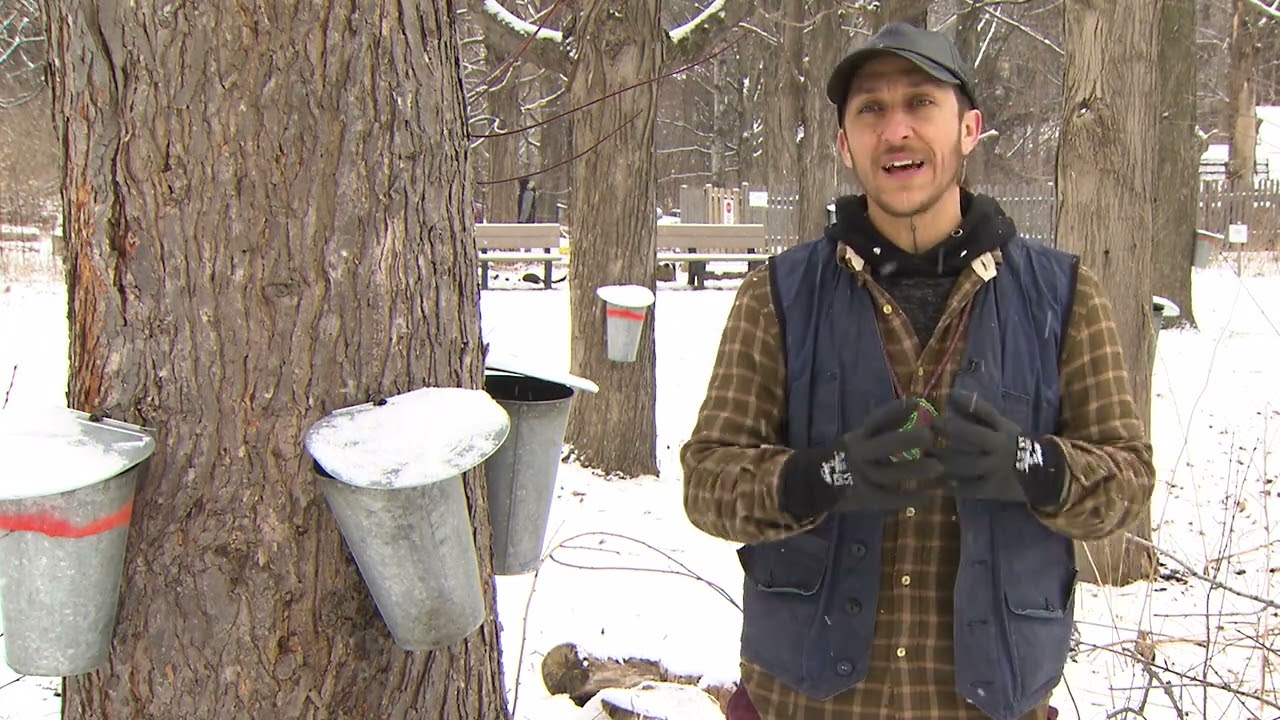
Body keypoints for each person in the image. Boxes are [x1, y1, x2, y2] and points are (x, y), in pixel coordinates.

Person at [680, 22, 1155, 720]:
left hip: (987, 703)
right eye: (871, 109)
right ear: (845, 143)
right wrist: (824, 474)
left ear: (969, 128)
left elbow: (1128, 479)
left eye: (920, 103)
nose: (895, 129)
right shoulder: (778, 296)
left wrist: (1031, 466)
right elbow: (708, 483)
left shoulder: (1062, 297)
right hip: (808, 703)